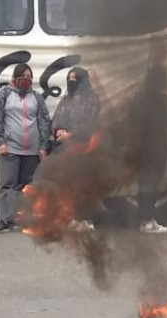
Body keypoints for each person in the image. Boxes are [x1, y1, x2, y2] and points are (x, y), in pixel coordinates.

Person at [0, 63, 51, 234]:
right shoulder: (3, 94)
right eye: (23, 76)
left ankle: (25, 218)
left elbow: (44, 122)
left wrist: (43, 146)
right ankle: (5, 220)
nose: (26, 80)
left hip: (32, 150)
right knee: (8, 185)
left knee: (28, 186)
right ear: (15, 78)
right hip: (9, 149)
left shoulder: (37, 97)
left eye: (29, 77)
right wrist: (0, 141)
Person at [51, 67, 102, 231]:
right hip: (66, 149)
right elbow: (56, 119)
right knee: (68, 184)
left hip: (84, 148)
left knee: (83, 184)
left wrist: (70, 135)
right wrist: (58, 131)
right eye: (69, 79)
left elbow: (88, 124)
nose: (71, 83)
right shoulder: (66, 99)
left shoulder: (91, 99)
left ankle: (86, 219)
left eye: (75, 79)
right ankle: (71, 217)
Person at [128, 65, 167, 234]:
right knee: (151, 183)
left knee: (143, 183)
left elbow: (130, 121)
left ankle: (143, 218)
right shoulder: (163, 99)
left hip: (139, 146)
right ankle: (147, 220)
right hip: (156, 145)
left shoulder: (137, 98)